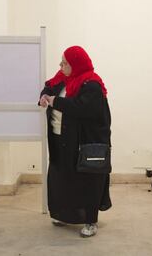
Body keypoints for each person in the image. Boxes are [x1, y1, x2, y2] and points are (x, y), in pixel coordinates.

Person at [38, 46, 112, 237]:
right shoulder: (62, 78)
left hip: (82, 142)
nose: (60, 65)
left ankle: (90, 221)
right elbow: (49, 88)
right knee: (61, 178)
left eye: (65, 63)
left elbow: (82, 108)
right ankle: (63, 214)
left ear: (76, 65)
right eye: (61, 61)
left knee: (86, 181)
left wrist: (56, 102)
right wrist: (44, 97)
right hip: (60, 139)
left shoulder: (91, 85)